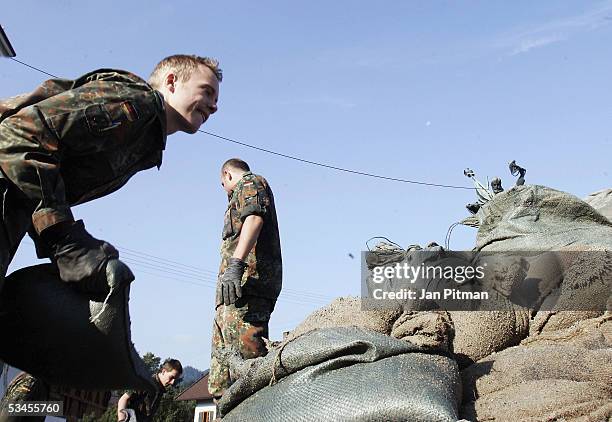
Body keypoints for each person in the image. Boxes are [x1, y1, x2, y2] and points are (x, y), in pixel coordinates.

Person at [0, 54, 220, 405]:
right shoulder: (136, 103)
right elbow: (19, 135)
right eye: (206, 91)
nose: (213, 105)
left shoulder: (143, 136)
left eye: (216, 98)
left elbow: (37, 172)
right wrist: (63, 238)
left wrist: (61, 239)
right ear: (172, 82)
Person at [208, 158, 282, 399]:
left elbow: (254, 219)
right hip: (231, 294)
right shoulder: (239, 193)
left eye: (223, 184)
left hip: (247, 287)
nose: (225, 192)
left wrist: (236, 265)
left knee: (249, 370)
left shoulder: (251, 182)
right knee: (222, 375)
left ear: (228, 175)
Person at [117, 358, 183, 422]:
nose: (172, 382)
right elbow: (123, 399)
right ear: (163, 371)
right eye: (171, 377)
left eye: (175, 379)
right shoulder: (145, 382)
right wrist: (122, 419)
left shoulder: (160, 390)